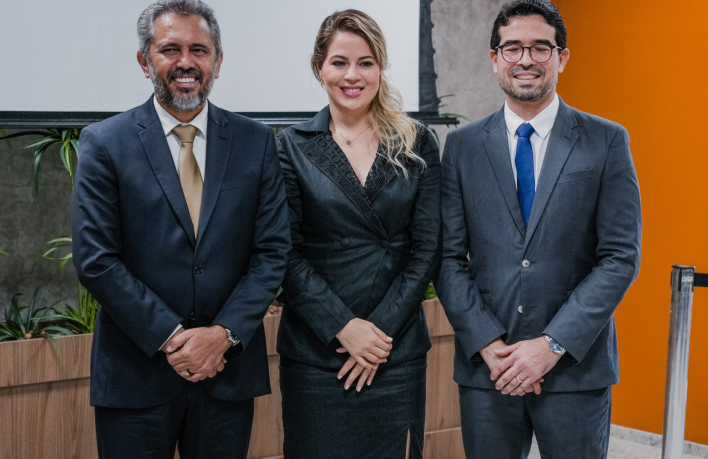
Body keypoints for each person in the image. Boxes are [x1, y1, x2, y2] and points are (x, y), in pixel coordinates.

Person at [71, 0, 290, 457]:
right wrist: (172, 339)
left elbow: (272, 252)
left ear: (218, 61)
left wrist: (222, 335)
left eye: (200, 50)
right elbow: (96, 260)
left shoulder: (256, 141)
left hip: (226, 374)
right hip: (136, 375)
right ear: (144, 60)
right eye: (170, 49)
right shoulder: (104, 143)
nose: (186, 62)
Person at [436, 0, 642, 458]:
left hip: (574, 370)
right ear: (494, 59)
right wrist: (488, 343)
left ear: (561, 57)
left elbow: (619, 258)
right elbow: (448, 258)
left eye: (540, 48)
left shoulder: (607, 140)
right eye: (512, 48)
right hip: (489, 370)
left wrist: (551, 345)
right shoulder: (463, 146)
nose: (525, 59)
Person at [274, 9, 441, 459]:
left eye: (366, 62)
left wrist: (376, 336)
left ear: (380, 68)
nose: (353, 75)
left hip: (395, 351)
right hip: (317, 353)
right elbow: (284, 254)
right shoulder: (291, 146)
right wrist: (344, 328)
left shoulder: (415, 141)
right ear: (319, 68)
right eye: (340, 62)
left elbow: (426, 249)